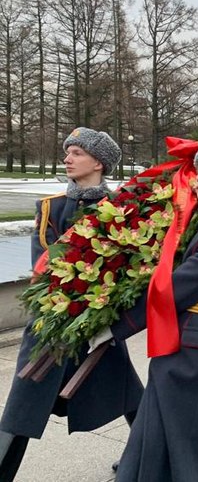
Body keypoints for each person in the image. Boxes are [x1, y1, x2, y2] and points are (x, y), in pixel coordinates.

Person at [98, 138, 198, 481]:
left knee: (196, 446)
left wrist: (115, 327)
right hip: (193, 346)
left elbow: (172, 292)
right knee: (169, 436)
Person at [0, 128, 143, 481]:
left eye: (76, 152)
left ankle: (145, 457)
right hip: (51, 325)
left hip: (97, 324)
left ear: (98, 162)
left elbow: (130, 267)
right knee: (23, 405)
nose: (67, 158)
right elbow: (45, 267)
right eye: (67, 152)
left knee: (131, 398)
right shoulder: (50, 208)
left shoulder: (122, 209)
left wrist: (99, 311)